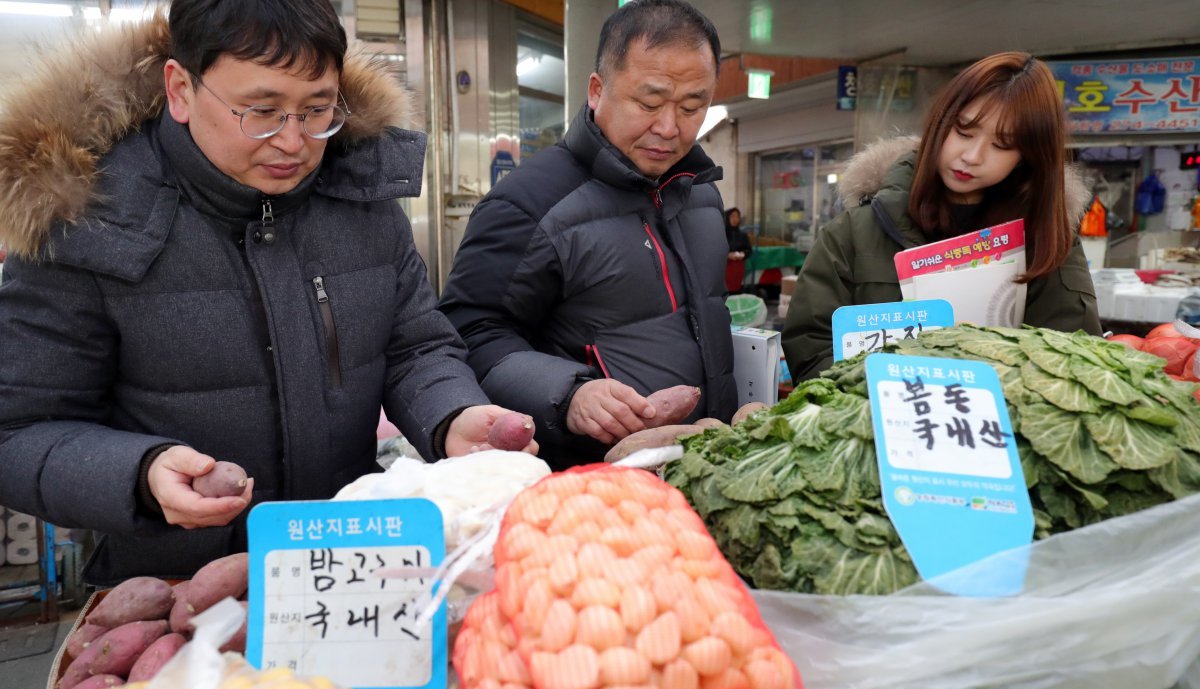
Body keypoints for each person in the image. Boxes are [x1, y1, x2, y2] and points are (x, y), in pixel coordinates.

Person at [0, 0, 533, 585]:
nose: (294, 142)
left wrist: (451, 414)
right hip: (177, 586)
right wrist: (141, 473)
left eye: (318, 109)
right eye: (261, 111)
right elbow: (19, 430)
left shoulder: (363, 197)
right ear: (180, 89)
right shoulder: (82, 217)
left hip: (351, 571)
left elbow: (415, 347)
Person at [438, 0, 738, 470]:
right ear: (597, 90)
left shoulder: (701, 196)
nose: (669, 128)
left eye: (692, 106)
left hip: (703, 464)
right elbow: (467, 333)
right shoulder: (528, 204)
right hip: (585, 477)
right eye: (649, 102)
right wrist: (570, 393)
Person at [782, 52, 1102, 381]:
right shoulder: (854, 231)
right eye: (963, 132)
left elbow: (1073, 366)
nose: (972, 156)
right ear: (940, 121)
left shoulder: (1047, 244)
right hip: (870, 426)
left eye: (1002, 145)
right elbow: (810, 349)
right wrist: (893, 388)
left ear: (1027, 157)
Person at [724, 207, 755, 293]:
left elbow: (749, 250)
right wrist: (728, 255)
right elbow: (715, 251)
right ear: (727, 218)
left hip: (738, 269)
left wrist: (743, 254)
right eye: (732, 216)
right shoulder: (721, 234)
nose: (735, 219)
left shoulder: (742, 235)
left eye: (737, 216)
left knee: (736, 291)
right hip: (724, 269)